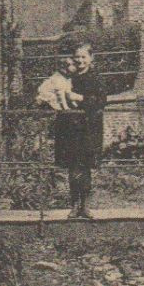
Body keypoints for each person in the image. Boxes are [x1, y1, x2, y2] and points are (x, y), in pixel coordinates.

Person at [50, 41, 110, 218]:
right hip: (69, 128)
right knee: (72, 167)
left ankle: (85, 205)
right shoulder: (68, 75)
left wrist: (81, 98)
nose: (80, 60)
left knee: (85, 167)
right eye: (77, 57)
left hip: (88, 129)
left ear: (91, 58)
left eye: (83, 57)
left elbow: (101, 101)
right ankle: (75, 205)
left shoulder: (96, 78)